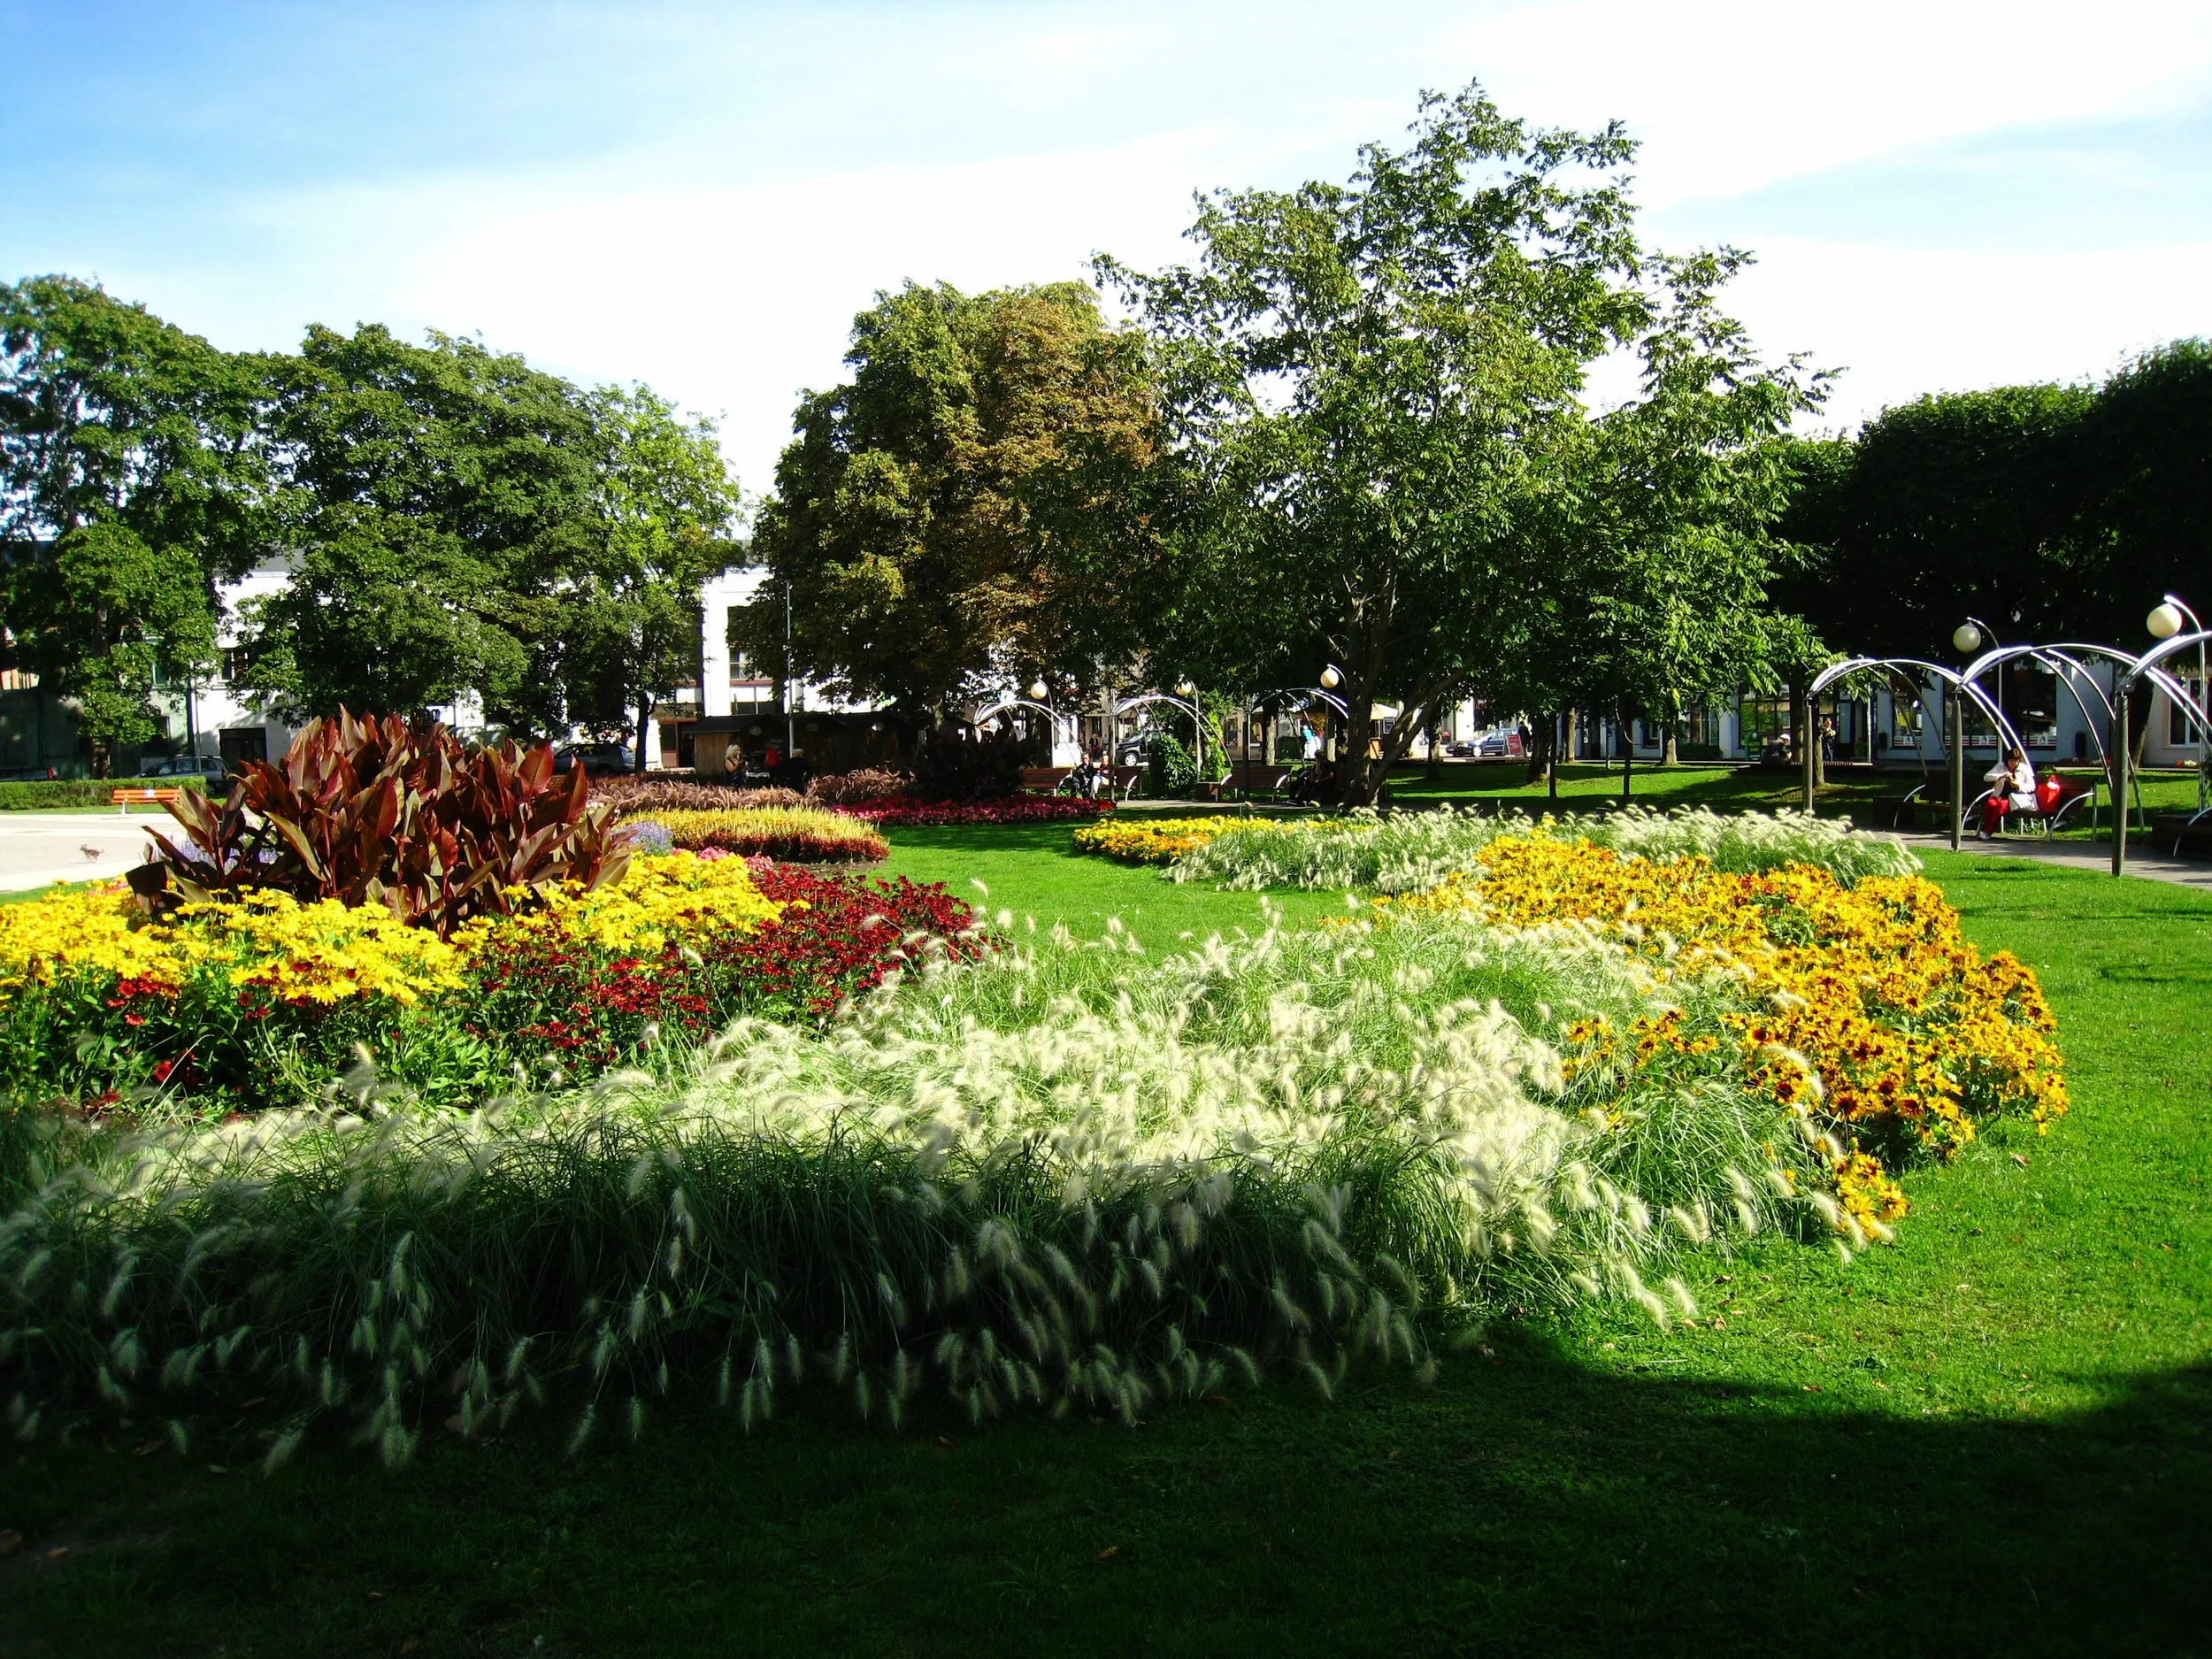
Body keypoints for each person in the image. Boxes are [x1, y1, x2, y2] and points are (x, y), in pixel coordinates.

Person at [1979, 744, 2036, 838]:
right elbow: (1986, 777)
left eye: (2016, 761)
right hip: (2000, 796)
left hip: (2016, 797)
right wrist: (2000, 776)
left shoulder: (2024, 769)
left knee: (2000, 806)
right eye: (2011, 760)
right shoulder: (2001, 766)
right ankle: (1984, 830)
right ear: (2007, 760)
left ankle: (1988, 832)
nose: (2013, 763)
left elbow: (2032, 787)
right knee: (1990, 803)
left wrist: (2019, 786)